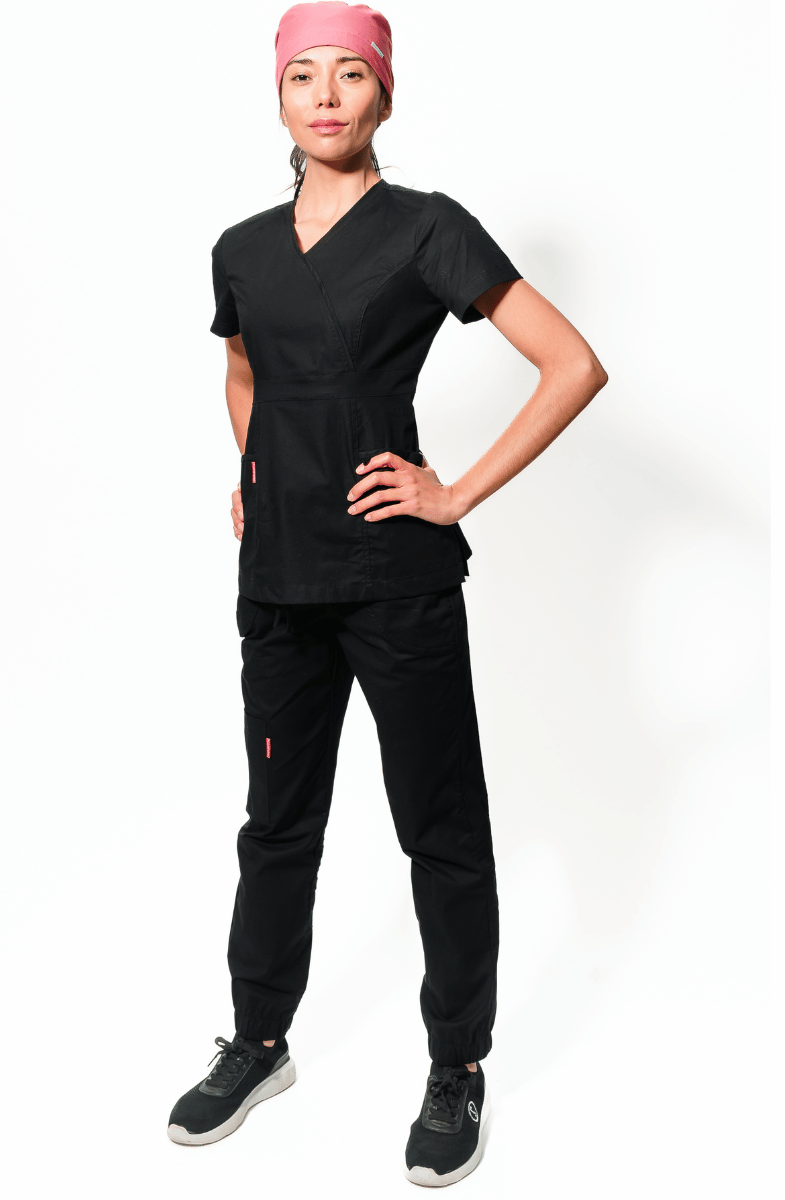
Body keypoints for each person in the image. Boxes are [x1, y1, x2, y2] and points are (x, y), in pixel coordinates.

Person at [167, 1, 608, 1187]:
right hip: (279, 584)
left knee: (440, 829)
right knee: (276, 824)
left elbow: (572, 364)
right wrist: (256, 474)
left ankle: (457, 1065)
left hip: (395, 584)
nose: (325, 95)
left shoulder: (427, 229)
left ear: (383, 93)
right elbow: (246, 368)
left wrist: (451, 492)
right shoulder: (241, 248)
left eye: (348, 74)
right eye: (301, 75)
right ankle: (258, 1042)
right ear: (277, 97)